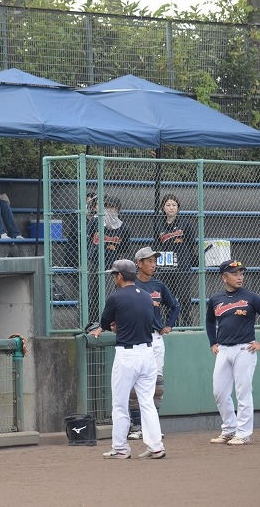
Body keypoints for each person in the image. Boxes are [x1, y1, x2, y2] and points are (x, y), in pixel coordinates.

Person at [88, 260, 166, 460]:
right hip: (148, 354)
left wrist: (114, 327)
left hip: (127, 355)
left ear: (121, 276)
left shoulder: (115, 297)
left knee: (120, 404)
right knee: (147, 403)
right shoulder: (147, 296)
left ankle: (121, 448)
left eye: (115, 275)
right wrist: (120, 325)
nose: (114, 278)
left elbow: (105, 322)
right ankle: (156, 446)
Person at [206, 260, 260, 446]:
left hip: (244, 349)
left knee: (243, 392)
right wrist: (212, 342)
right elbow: (209, 321)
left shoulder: (251, 297)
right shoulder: (215, 299)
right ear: (224, 277)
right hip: (223, 349)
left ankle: (243, 433)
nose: (239, 277)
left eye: (241, 273)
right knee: (219, 392)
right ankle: (229, 429)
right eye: (235, 274)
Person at [128, 246, 180, 440]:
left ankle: (152, 427)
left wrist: (169, 325)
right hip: (136, 338)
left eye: (154, 261)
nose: (153, 265)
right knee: (135, 385)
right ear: (139, 264)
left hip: (155, 338)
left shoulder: (158, 285)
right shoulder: (130, 284)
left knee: (156, 385)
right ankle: (137, 426)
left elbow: (175, 305)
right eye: (149, 261)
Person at [87, 194, 131, 321]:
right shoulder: (96, 222)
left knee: (109, 295)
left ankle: (108, 322)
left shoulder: (123, 227)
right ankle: (93, 321)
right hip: (94, 261)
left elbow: (124, 248)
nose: (109, 210)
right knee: (92, 293)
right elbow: (88, 238)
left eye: (113, 207)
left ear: (118, 209)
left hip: (112, 265)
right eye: (107, 207)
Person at [155, 194, 196, 326]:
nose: (171, 208)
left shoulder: (185, 223)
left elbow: (191, 243)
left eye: (174, 205)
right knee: (168, 296)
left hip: (182, 263)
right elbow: (157, 243)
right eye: (168, 205)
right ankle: (171, 323)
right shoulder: (159, 224)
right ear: (163, 208)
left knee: (184, 295)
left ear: (178, 207)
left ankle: (187, 323)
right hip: (166, 264)